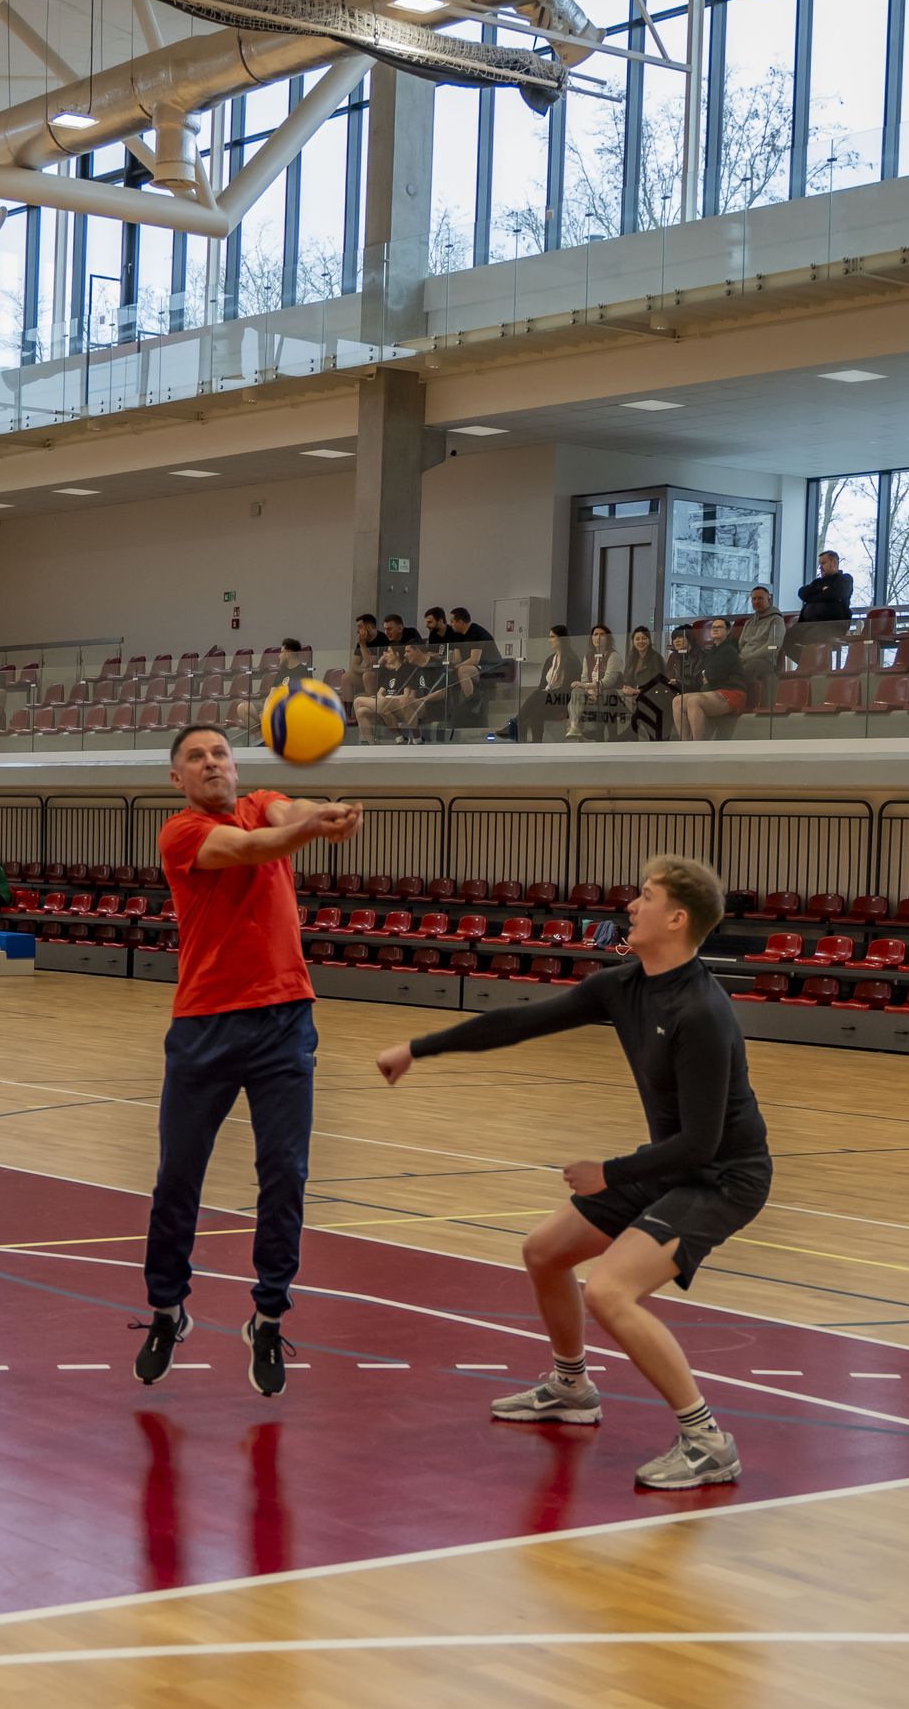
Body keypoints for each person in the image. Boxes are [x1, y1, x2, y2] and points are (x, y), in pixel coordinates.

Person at [376, 856, 772, 1490]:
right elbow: (520, 1021)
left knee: (610, 1292)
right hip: (672, 1161)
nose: (631, 905)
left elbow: (701, 1145)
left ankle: (707, 1442)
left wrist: (609, 1173)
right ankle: (571, 1387)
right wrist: (420, 1048)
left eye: (646, 897)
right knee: (545, 1252)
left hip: (722, 1177)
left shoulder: (702, 1011)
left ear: (676, 918)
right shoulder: (626, 985)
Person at [132, 724, 362, 1397]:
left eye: (220, 754)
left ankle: (267, 1316)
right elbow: (256, 848)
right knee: (178, 1176)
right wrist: (313, 828)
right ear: (177, 779)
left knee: (285, 1174)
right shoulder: (182, 834)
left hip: (285, 1021)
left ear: (236, 766)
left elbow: (286, 815)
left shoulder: (263, 803)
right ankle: (167, 1310)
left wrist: (318, 813)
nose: (211, 763)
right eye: (196, 757)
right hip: (204, 1024)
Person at [673, 618, 746, 741]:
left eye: (719, 627)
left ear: (728, 631)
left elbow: (713, 675)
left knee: (694, 701)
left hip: (732, 693)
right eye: (713, 627)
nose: (715, 629)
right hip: (716, 692)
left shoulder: (729, 649)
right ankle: (685, 743)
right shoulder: (713, 650)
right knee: (677, 701)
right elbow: (708, 674)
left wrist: (707, 675)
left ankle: (698, 744)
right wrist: (707, 675)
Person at [781, 552, 853, 665]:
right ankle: (808, 664)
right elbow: (802, 593)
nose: (820, 567)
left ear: (834, 563)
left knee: (812, 637)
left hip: (831, 625)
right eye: (820, 564)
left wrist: (813, 596)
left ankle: (816, 666)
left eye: (823, 563)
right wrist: (822, 590)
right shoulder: (818, 582)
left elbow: (836, 593)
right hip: (807, 625)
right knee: (784, 639)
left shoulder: (844, 579)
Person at [516, 626, 582, 743]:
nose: (549, 640)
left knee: (537, 695)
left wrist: (546, 694)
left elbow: (570, 688)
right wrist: (545, 694)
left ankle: (516, 723)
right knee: (536, 707)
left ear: (561, 639)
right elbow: (542, 685)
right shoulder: (550, 660)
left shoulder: (571, 660)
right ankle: (536, 742)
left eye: (552, 637)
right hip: (548, 699)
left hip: (563, 699)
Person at [237, 638, 310, 731]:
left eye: (282, 652)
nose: (279, 656)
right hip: (273, 709)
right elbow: (272, 693)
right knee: (242, 708)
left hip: (289, 711)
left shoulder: (304, 672)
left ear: (289, 654)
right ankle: (260, 738)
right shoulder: (282, 672)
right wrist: (267, 709)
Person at [448, 606, 503, 728]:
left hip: (491, 668)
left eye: (452, 621)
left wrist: (457, 667)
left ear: (460, 622)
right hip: (477, 669)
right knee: (454, 673)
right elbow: (457, 659)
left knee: (463, 671)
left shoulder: (476, 632)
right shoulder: (457, 635)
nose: (450, 624)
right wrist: (450, 661)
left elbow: (474, 660)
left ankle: (472, 702)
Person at [565, 624, 622, 741]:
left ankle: (595, 733)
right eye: (595, 634)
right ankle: (574, 727)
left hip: (608, 693)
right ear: (591, 638)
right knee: (576, 691)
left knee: (600, 695)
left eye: (602, 634)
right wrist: (589, 691)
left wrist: (588, 687)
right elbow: (584, 679)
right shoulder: (588, 657)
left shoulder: (613, 655)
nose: (598, 637)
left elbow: (609, 681)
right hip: (591, 692)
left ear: (608, 638)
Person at [352, 643, 411, 744]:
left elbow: (406, 695)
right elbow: (380, 693)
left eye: (388, 652)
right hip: (384, 703)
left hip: (397, 704)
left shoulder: (405, 671)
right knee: (361, 712)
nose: (385, 654)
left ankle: (365, 740)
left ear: (396, 654)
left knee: (358, 700)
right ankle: (372, 745)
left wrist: (388, 698)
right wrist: (382, 698)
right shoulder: (391, 673)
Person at [619, 627, 666, 740]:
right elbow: (627, 679)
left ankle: (633, 730)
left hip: (652, 693)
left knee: (641, 700)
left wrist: (639, 690)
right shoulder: (632, 657)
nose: (640, 641)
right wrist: (626, 688)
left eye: (644, 638)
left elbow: (658, 681)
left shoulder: (656, 657)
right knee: (614, 694)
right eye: (637, 639)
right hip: (634, 693)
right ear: (633, 641)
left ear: (649, 640)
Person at [737, 586, 785, 694]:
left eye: (760, 598)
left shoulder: (776, 620)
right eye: (754, 599)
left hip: (766, 662)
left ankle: (746, 701)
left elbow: (774, 646)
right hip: (745, 659)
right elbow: (741, 644)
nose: (756, 601)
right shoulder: (749, 622)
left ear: (769, 600)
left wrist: (749, 657)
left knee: (747, 670)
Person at [339, 615, 388, 711]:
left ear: (368, 627)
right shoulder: (362, 642)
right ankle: (348, 712)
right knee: (346, 677)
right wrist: (364, 669)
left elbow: (372, 663)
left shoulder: (382, 639)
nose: (358, 630)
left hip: (383, 676)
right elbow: (354, 665)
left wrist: (363, 645)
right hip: (369, 673)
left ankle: (372, 710)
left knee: (367, 676)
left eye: (360, 627)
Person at [664, 625, 704, 736]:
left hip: (694, 691)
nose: (676, 641)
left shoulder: (700, 655)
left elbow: (698, 682)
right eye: (674, 638)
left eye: (680, 637)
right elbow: (667, 676)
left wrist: (678, 682)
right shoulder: (674, 656)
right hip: (677, 690)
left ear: (689, 638)